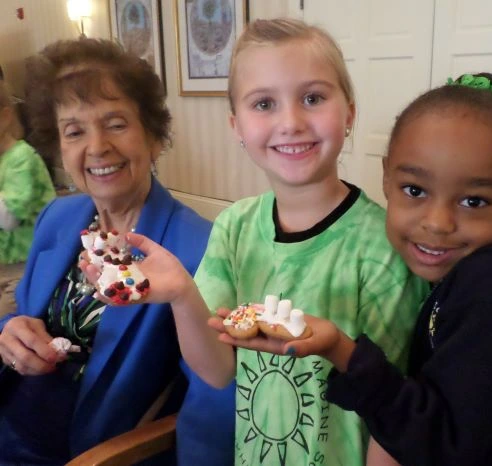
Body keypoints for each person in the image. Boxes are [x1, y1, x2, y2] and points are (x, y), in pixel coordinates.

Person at [100, 18, 428, 466]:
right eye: (264, 104)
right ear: (236, 125)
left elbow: (395, 409)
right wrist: (181, 294)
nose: (291, 122)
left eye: (312, 98)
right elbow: (218, 370)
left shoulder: (382, 246)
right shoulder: (235, 226)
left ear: (349, 112)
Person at [214, 73, 492, 465]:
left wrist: (341, 349)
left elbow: (438, 441)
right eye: (415, 191)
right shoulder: (466, 277)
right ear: (386, 177)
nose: (438, 222)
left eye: (474, 202)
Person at [0, 38, 234, 465]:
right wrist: (10, 331)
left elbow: (215, 398)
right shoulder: (58, 217)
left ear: (154, 137)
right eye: (75, 131)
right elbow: (23, 315)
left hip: (91, 450)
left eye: (116, 123)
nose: (97, 146)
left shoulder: (201, 248)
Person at [0, 81, 55, 317]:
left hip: (26, 268)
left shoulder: (22, 158)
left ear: (4, 117)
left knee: (12, 322)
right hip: (5, 265)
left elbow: (8, 217)